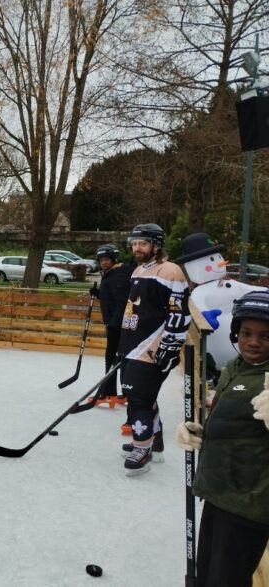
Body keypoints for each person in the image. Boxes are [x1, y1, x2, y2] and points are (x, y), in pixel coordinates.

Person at [176, 290, 269, 586]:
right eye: (246, 332)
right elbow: (232, 420)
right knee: (205, 574)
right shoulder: (235, 368)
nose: (253, 342)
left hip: (248, 503)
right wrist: (200, 431)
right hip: (218, 491)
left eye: (266, 336)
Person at [118, 223, 190, 474]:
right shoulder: (140, 269)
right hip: (133, 345)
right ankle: (153, 442)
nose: (137, 248)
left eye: (143, 243)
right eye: (135, 243)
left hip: (152, 347)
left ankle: (142, 448)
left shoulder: (170, 271)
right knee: (143, 397)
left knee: (138, 398)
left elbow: (179, 313)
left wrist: (169, 347)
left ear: (156, 245)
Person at [89, 243, 134, 403]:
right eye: (101, 260)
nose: (104, 263)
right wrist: (99, 294)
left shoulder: (119, 275)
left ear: (115, 259)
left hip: (119, 325)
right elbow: (113, 299)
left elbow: (122, 302)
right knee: (122, 358)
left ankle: (109, 393)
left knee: (112, 357)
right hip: (117, 323)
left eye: (107, 259)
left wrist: (114, 324)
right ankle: (126, 392)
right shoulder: (112, 274)